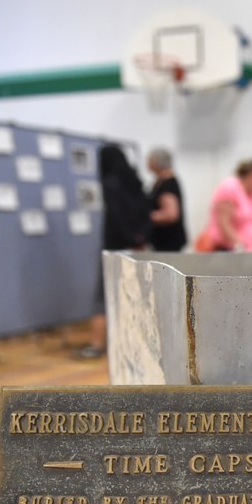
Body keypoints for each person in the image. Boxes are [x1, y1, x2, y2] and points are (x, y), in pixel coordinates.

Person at [77, 145, 152, 359]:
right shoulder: (135, 183)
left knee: (102, 296)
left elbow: (117, 218)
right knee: (136, 295)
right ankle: (136, 343)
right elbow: (146, 215)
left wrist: (127, 238)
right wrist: (139, 239)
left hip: (115, 248)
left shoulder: (111, 184)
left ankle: (97, 344)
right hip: (138, 249)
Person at [203, 157, 252, 252]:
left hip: (250, 251)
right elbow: (224, 222)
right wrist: (239, 244)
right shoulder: (230, 187)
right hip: (228, 250)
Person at [146, 147, 187, 252]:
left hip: (168, 243)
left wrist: (145, 216)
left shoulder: (167, 184)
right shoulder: (161, 182)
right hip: (163, 241)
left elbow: (170, 214)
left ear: (155, 162)